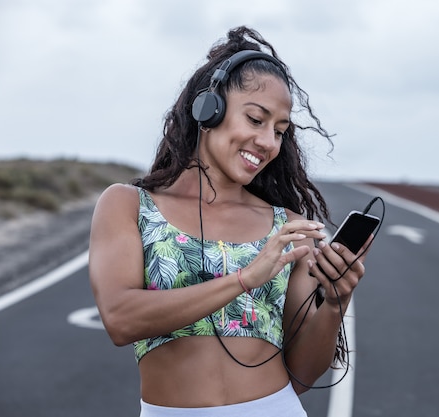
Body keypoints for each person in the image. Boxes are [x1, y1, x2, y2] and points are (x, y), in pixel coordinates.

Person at [89, 26, 370, 417]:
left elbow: (302, 376)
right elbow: (120, 318)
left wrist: (337, 301)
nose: (269, 142)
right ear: (210, 107)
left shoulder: (288, 228)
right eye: (256, 119)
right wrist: (245, 279)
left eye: (279, 131)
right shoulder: (128, 205)